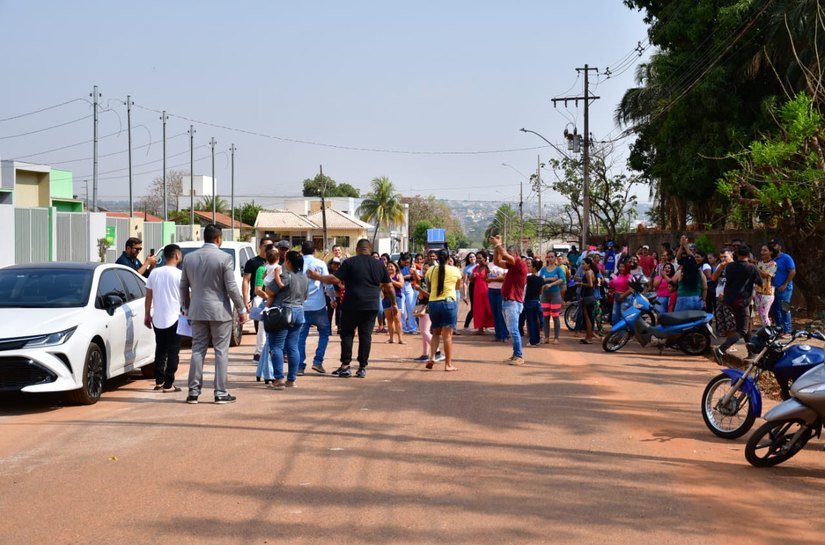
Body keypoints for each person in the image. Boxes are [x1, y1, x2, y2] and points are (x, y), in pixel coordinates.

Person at [180, 224, 249, 404]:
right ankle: (220, 393)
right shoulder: (224, 258)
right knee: (220, 352)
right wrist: (241, 308)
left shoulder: (189, 258)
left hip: (196, 310)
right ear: (218, 239)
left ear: (205, 238)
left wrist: (186, 307)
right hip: (219, 311)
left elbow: (183, 286)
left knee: (197, 350)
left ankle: (193, 392)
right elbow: (232, 288)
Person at [308, 239, 395, 379]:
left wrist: (317, 276)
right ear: (370, 248)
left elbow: (335, 279)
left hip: (351, 304)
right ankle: (362, 367)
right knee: (365, 336)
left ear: (358, 248)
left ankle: (345, 366)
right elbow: (389, 286)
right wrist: (394, 304)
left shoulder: (350, 262)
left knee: (347, 335)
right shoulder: (379, 265)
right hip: (371, 305)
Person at [265, 250, 309, 389]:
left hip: (283, 313)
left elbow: (269, 291)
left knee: (276, 346)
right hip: (299, 312)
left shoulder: (285, 276)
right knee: (292, 346)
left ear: (288, 262)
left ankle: (278, 379)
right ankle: (291, 379)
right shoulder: (304, 277)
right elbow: (305, 296)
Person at [144, 244, 182, 392]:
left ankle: (159, 381)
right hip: (175, 318)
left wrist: (147, 314)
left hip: (158, 318)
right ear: (177, 256)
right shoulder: (180, 275)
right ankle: (168, 383)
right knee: (173, 351)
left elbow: (148, 296)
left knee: (160, 350)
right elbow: (187, 296)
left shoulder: (154, 273)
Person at [715, 245, 762, 362]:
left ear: (736, 255)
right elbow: (760, 282)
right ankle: (721, 349)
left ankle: (751, 352)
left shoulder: (729, 267)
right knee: (742, 329)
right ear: (748, 255)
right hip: (743, 301)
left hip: (730, 300)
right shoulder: (751, 267)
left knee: (746, 326)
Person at [298, 241, 334, 375]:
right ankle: (318, 361)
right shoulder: (320, 264)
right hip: (318, 305)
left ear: (302, 251)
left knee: (300, 337)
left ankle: (300, 366)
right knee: (324, 333)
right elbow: (327, 284)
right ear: (314, 251)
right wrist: (333, 299)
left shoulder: (297, 264)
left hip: (302, 305)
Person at [491, 235, 528, 365]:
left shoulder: (519, 263)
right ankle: (515, 354)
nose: (507, 256)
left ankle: (519, 356)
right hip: (508, 301)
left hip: (513, 302)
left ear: (516, 254)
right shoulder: (512, 266)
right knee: (512, 329)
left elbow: (504, 254)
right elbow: (497, 261)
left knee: (513, 330)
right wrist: (496, 248)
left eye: (510, 253)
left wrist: (497, 244)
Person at [424, 249, 461, 372]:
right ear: (448, 258)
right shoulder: (455, 270)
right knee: (447, 336)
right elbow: (458, 286)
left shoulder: (431, 270)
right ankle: (448, 364)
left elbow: (428, 285)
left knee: (435, 333)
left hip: (434, 303)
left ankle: (433, 357)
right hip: (448, 302)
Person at [243, 237, 273, 363]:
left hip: (273, 298)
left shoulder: (276, 263)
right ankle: (259, 353)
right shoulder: (253, 263)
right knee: (261, 327)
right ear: (260, 247)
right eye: (266, 246)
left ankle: (268, 352)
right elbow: (246, 281)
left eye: (271, 246)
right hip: (259, 298)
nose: (268, 248)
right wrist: (246, 300)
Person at [769, 239, 796, 337]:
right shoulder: (771, 259)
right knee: (775, 309)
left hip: (784, 289)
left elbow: (792, 271)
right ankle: (780, 329)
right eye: (771, 245)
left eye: (774, 244)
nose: (772, 246)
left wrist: (785, 284)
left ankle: (788, 331)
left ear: (780, 246)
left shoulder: (786, 258)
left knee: (785, 309)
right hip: (773, 289)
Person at [673, 236, 707, 311]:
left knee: (680, 320)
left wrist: (684, 245)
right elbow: (705, 287)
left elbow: (673, 281)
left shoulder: (680, 272)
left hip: (683, 299)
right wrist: (704, 300)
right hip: (697, 299)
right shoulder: (700, 272)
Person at [539, 254, 566, 344]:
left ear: (555, 258)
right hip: (545, 296)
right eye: (548, 257)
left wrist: (551, 284)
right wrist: (552, 279)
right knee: (545, 316)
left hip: (555, 295)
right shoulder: (543, 269)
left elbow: (562, 279)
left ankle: (556, 338)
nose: (550, 259)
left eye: (552, 257)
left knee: (555, 316)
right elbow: (540, 280)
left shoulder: (558, 269)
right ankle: (546, 337)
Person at [472, 249, 494, 334]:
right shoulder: (475, 268)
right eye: (477, 258)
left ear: (485, 258)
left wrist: (486, 266)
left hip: (487, 290)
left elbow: (491, 277)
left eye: (480, 258)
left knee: (490, 309)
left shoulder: (488, 267)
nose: (478, 260)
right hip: (477, 291)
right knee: (479, 310)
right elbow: (472, 281)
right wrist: (472, 277)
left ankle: (497, 327)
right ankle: (480, 329)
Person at [755, 244, 777, 326]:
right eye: (762, 250)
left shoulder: (773, 264)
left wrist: (755, 268)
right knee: (761, 315)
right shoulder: (759, 262)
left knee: (764, 315)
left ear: (770, 252)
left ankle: (768, 333)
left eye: (765, 250)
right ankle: (765, 332)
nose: (762, 252)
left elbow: (766, 275)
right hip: (758, 291)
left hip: (767, 292)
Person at [524, 259, 544, 347]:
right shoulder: (541, 279)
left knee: (531, 321)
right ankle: (537, 339)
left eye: (530, 266)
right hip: (537, 301)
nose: (529, 268)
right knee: (536, 321)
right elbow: (541, 292)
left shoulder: (529, 278)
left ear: (534, 268)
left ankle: (533, 341)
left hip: (529, 302)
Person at [384, 261, 405, 344]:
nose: (390, 268)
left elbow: (401, 285)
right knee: (389, 319)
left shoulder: (399, 275)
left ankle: (400, 338)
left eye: (392, 266)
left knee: (397, 319)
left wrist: (391, 281)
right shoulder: (384, 276)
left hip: (397, 299)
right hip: (386, 299)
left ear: (396, 267)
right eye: (388, 266)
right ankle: (391, 338)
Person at [577, 257, 597, 344]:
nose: (582, 265)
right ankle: (588, 336)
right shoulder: (590, 272)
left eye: (583, 264)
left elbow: (590, 284)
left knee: (587, 317)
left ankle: (589, 337)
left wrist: (581, 283)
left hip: (588, 296)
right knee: (587, 317)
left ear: (588, 264)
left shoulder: (588, 272)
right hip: (588, 296)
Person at [399, 253, 419, 335]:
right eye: (405, 262)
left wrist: (413, 272)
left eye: (408, 262)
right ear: (401, 260)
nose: (407, 264)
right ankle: (403, 328)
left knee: (411, 307)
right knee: (402, 309)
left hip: (408, 286)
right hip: (400, 287)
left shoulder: (411, 266)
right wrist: (404, 277)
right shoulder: (397, 267)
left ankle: (412, 328)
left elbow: (414, 278)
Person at [462, 252, 477, 329]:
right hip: (473, 287)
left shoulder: (480, 266)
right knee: (474, 308)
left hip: (482, 287)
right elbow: (465, 283)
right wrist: (464, 295)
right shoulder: (467, 268)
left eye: (473, 256)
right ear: (468, 259)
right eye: (470, 257)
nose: (472, 258)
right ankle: (466, 325)